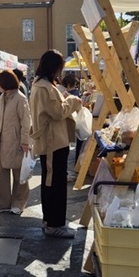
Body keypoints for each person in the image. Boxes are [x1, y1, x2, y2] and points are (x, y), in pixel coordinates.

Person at [29, 50, 82, 238]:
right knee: (55, 184)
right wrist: (73, 101)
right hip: (53, 142)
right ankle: (54, 224)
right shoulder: (45, 87)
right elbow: (58, 112)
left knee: (50, 182)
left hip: (50, 141)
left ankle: (49, 221)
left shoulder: (39, 85)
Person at [0, 70, 32, 216]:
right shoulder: (2, 97)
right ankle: (3, 203)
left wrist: (25, 141)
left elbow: (26, 122)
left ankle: (18, 203)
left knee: (20, 174)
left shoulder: (20, 98)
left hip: (16, 141)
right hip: (2, 141)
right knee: (3, 174)